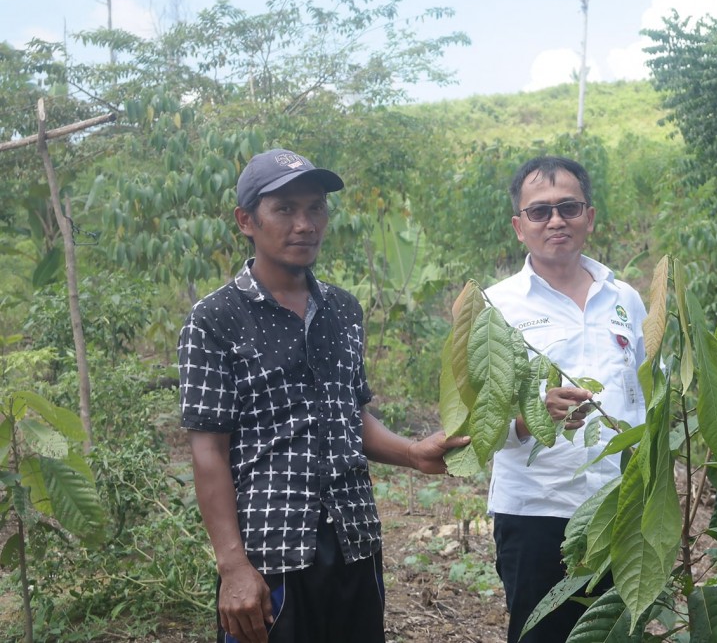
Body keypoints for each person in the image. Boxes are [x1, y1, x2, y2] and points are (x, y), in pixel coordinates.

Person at [179, 148, 468, 643]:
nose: (305, 224)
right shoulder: (215, 319)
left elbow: (348, 415)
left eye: (316, 208)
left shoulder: (342, 310)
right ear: (246, 220)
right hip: (272, 551)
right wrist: (233, 567)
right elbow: (209, 450)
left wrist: (412, 453)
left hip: (354, 541)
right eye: (285, 209)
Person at [485, 156, 647, 643]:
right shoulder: (496, 306)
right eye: (539, 212)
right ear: (519, 226)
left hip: (621, 510)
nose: (556, 220)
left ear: (589, 217)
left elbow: (647, 401)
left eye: (569, 207)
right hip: (537, 513)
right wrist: (533, 417)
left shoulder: (627, 300)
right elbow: (476, 423)